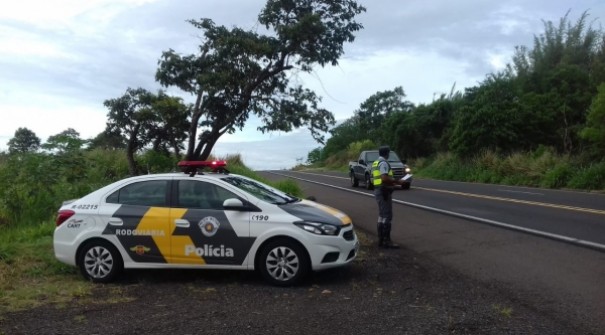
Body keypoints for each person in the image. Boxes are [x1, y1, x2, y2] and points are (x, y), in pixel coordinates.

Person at [372, 146, 406, 249]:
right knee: (387, 215)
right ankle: (386, 241)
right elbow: (384, 178)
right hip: (384, 191)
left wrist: (393, 185)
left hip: (379, 190)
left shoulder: (376, 162)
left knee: (382, 215)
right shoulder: (383, 163)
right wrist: (397, 181)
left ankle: (381, 240)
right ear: (387, 153)